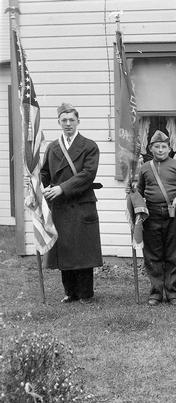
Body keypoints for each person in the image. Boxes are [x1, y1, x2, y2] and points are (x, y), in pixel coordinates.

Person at [40, 103, 102, 303]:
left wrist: (62, 188)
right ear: (59, 122)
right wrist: (38, 185)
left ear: (78, 121)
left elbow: (87, 175)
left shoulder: (89, 145)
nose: (68, 124)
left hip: (82, 202)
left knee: (83, 250)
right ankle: (70, 292)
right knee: (65, 248)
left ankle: (85, 293)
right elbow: (44, 173)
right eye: (64, 120)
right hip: (60, 205)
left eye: (71, 120)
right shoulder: (52, 147)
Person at [136, 130, 176, 306]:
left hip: (175, 214)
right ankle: (156, 292)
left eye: (164, 146)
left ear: (169, 148)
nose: (160, 150)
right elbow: (139, 191)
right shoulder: (145, 168)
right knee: (153, 255)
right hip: (151, 215)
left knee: (174, 254)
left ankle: (173, 292)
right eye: (156, 147)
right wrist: (131, 192)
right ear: (151, 148)